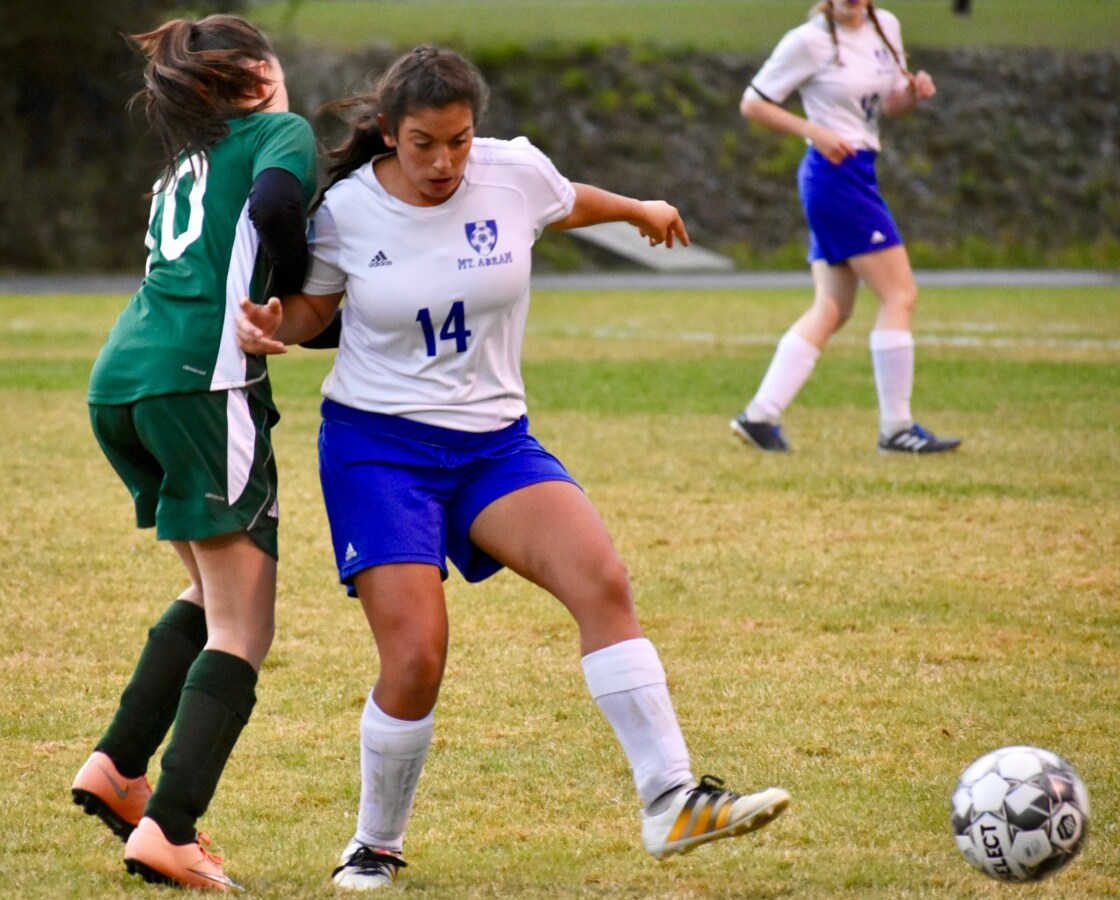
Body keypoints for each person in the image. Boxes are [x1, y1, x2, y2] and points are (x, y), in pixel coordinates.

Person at [238, 45, 790, 891]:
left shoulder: (513, 172)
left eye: (459, 141)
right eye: (423, 144)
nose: (443, 163)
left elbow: (566, 201)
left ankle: (671, 798)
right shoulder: (348, 211)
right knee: (416, 659)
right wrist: (271, 323)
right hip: (379, 450)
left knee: (602, 581)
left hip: (494, 444)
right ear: (388, 132)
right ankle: (375, 842)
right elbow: (313, 310)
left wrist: (638, 209)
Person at [70, 14, 318, 891]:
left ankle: (118, 768)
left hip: (122, 382)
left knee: (213, 593)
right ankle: (170, 830)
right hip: (200, 383)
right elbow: (279, 206)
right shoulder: (278, 130)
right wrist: (291, 294)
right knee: (245, 627)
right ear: (258, 74)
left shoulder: (184, 161)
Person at [729, 0, 961, 454]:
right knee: (900, 295)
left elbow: (889, 106)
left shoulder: (885, 25)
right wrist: (814, 131)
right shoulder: (809, 40)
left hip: (857, 170)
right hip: (834, 174)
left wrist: (913, 95)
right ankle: (897, 429)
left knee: (832, 308)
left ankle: (759, 416)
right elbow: (752, 103)